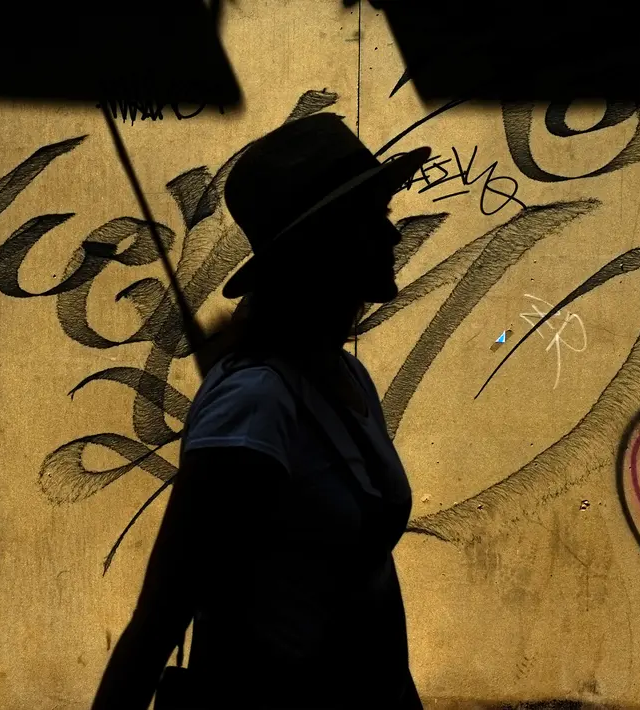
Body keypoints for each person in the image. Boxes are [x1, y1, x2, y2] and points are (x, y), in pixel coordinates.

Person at [91, 113, 431, 710]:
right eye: (374, 218)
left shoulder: (344, 376)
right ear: (322, 246)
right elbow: (162, 616)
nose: (393, 236)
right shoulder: (256, 405)